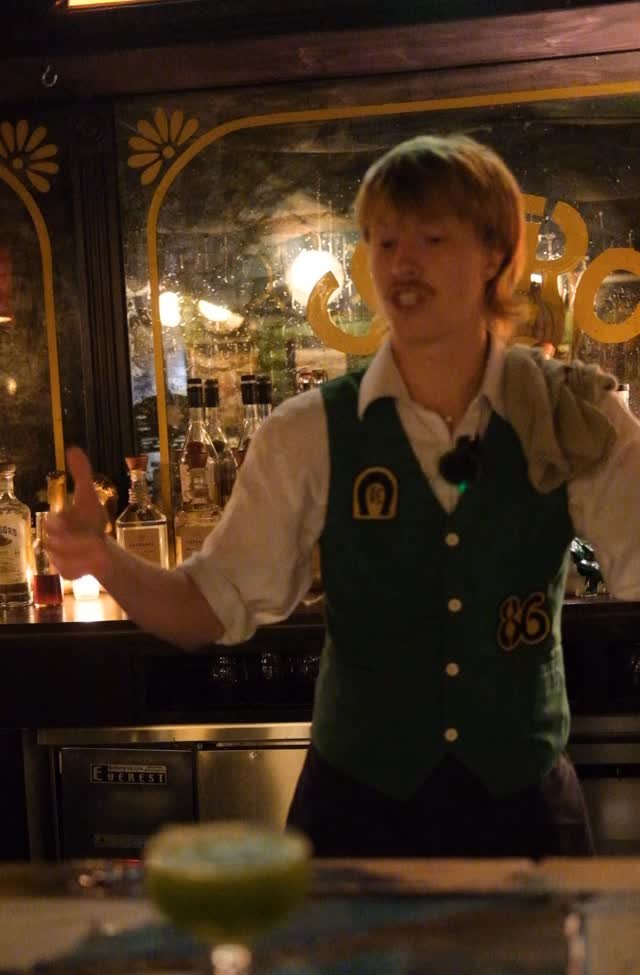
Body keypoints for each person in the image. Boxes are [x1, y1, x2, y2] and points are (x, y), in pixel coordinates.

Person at [47, 133, 640, 858]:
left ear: (494, 254)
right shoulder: (308, 433)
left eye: (431, 238)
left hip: (524, 815)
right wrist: (101, 558)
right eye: (384, 242)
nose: (402, 264)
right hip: (356, 819)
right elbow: (206, 607)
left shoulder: (573, 415)